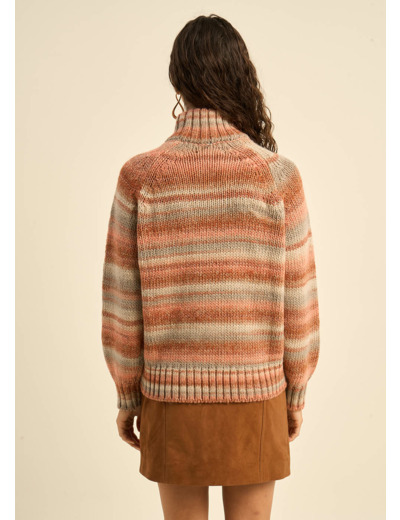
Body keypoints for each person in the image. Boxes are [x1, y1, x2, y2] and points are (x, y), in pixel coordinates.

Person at [101, 13, 320, 520]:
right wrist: (295, 390)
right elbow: (300, 300)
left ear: (177, 79)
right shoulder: (278, 177)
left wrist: (128, 394)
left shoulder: (141, 177)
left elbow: (121, 303)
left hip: (169, 398)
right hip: (258, 392)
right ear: (240, 74)